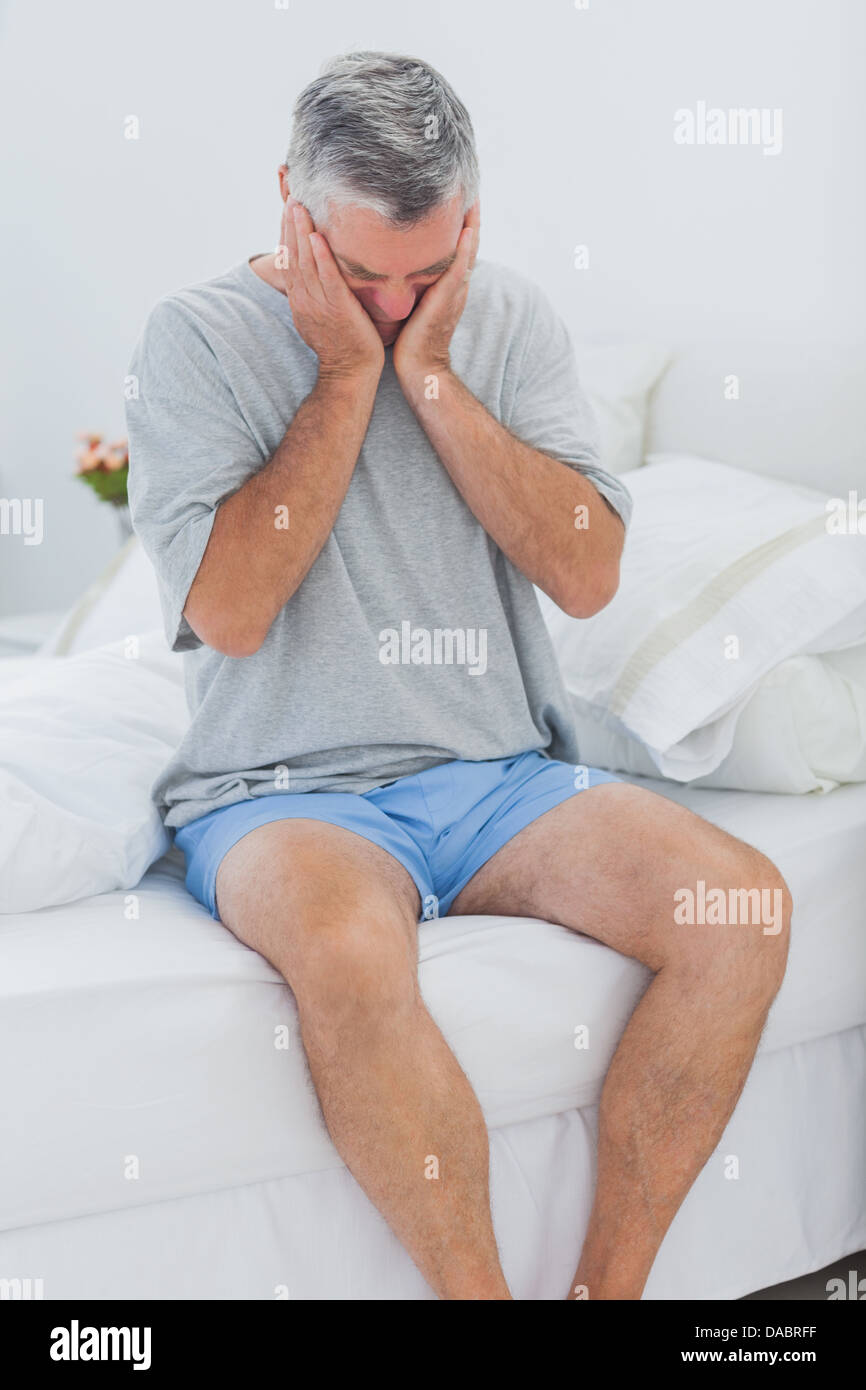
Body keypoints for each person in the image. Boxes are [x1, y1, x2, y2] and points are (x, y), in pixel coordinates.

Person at [126, 51, 791, 1301]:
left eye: (425, 276)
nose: (391, 306)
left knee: (740, 911)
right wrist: (344, 377)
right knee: (347, 954)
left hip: (496, 776)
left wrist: (430, 376)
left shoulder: (508, 323)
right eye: (359, 276)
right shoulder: (196, 339)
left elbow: (585, 575)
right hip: (280, 790)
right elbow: (228, 612)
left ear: (470, 222)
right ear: (290, 203)